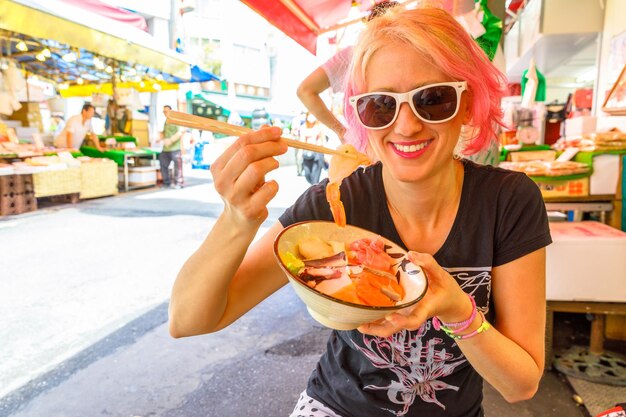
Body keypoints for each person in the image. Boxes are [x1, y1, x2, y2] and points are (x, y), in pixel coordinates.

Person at [169, 6, 551, 417]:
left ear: (465, 102)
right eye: (381, 106)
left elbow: (521, 384)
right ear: (360, 115)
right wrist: (235, 219)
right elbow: (190, 320)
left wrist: (458, 310)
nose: (405, 127)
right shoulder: (333, 203)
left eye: (432, 99)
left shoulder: (508, 201)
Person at [296, 1, 400, 143]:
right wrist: (340, 131)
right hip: (367, 147)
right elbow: (305, 91)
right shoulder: (352, 55)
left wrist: (341, 131)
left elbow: (305, 91)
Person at [157, 105, 184, 189]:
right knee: (162, 163)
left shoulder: (175, 120)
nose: (165, 113)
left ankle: (179, 183)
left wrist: (171, 140)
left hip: (175, 147)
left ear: (171, 111)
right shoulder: (166, 121)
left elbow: (180, 132)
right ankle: (166, 182)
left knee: (177, 165)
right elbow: (164, 133)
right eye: (164, 111)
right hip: (166, 148)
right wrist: (159, 138)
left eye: (167, 111)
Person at [299, 113, 326, 185]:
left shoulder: (319, 127)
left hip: (317, 153)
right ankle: (313, 187)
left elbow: (323, 140)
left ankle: (315, 190)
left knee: (315, 176)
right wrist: (300, 152)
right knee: (307, 174)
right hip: (306, 153)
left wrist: (325, 154)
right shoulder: (303, 127)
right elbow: (302, 141)